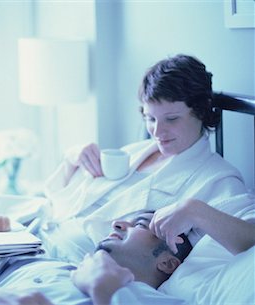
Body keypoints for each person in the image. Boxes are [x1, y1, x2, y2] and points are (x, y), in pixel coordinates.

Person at [40, 54, 247, 263]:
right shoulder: (133, 152)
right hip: (38, 238)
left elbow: (248, 238)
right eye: (150, 118)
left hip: (70, 263)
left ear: (201, 112)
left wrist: (194, 210)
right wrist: (71, 160)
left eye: (172, 119)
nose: (157, 131)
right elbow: (57, 197)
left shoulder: (218, 180)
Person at [0, 198, 255, 305]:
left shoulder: (157, 302)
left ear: (168, 260)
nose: (118, 224)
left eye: (139, 224)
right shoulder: (56, 264)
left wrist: (103, 292)